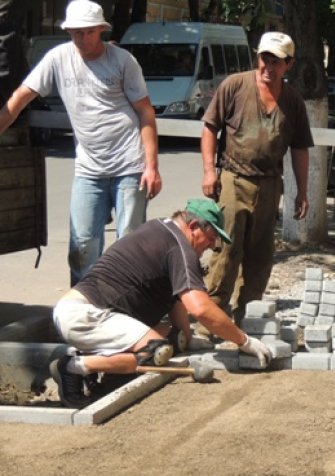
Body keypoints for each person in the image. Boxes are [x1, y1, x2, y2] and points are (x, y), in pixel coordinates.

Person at [49, 198, 273, 408]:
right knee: (158, 351)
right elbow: (200, 308)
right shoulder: (180, 248)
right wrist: (244, 341)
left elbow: (173, 298)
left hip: (85, 312)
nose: (213, 245)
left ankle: (96, 371)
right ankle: (73, 368)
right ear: (195, 226)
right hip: (86, 316)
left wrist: (187, 336)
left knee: (175, 338)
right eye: (212, 236)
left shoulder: (162, 230)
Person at [0, 0, 162, 286]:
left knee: (129, 243)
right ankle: (84, 306)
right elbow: (19, 99)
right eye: (75, 32)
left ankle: (128, 307)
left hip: (130, 165)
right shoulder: (58, 58)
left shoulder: (122, 61)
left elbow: (145, 113)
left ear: (100, 29)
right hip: (89, 169)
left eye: (88, 32)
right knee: (82, 245)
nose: (81, 38)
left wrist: (151, 167)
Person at [200, 31, 313, 323]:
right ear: (258, 57)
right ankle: (212, 317)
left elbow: (300, 148)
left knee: (260, 255)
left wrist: (302, 191)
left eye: (276, 61)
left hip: (270, 184)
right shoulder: (235, 85)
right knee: (226, 250)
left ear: (288, 64)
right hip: (233, 180)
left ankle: (247, 316)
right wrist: (209, 172)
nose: (269, 67)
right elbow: (210, 127)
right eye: (265, 58)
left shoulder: (293, 102)